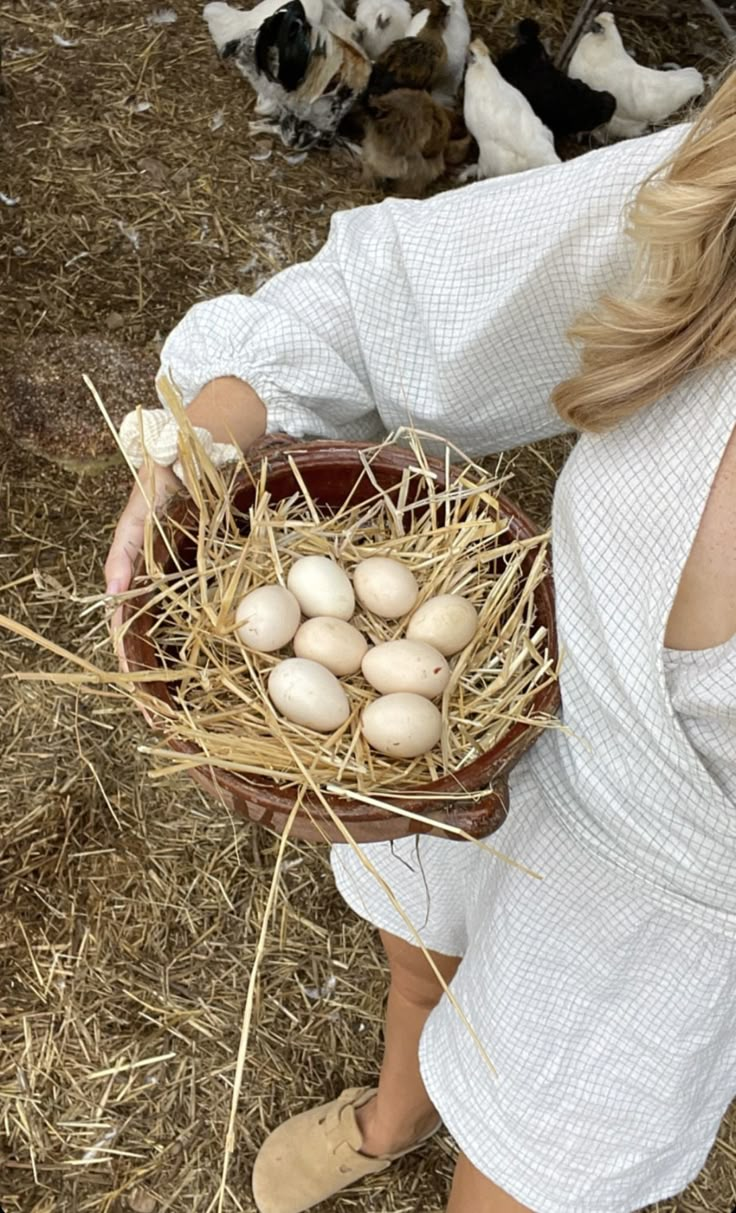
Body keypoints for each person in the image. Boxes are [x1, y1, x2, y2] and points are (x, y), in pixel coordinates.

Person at [105, 70, 736, 1213]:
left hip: (660, 924)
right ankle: (397, 1113)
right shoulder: (716, 205)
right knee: (420, 950)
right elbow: (402, 296)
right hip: (486, 718)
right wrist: (208, 434)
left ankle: (466, 1143)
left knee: (519, 1164)